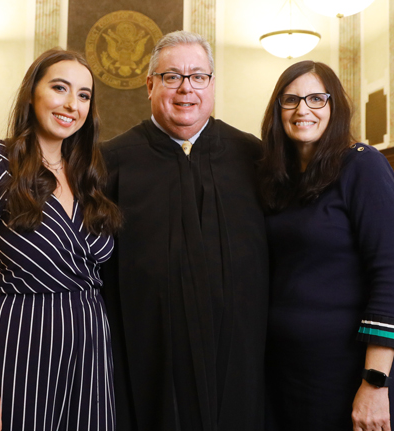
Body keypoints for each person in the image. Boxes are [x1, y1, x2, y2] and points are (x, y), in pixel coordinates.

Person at [0, 48, 121, 431]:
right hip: (20, 343)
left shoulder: (89, 175)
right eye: (60, 88)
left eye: (84, 95)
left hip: (88, 348)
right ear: (31, 93)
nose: (71, 104)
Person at [101, 30, 269, 431]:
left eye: (198, 76)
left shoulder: (253, 157)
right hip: (146, 352)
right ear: (150, 84)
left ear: (211, 84)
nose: (185, 89)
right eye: (171, 76)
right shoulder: (111, 161)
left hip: (237, 352)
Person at [258, 61, 394, 431]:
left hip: (347, 371)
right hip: (284, 369)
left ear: (334, 106)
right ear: (278, 110)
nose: (302, 109)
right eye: (290, 99)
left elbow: (391, 277)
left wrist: (375, 384)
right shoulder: (278, 178)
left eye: (316, 98)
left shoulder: (363, 167)